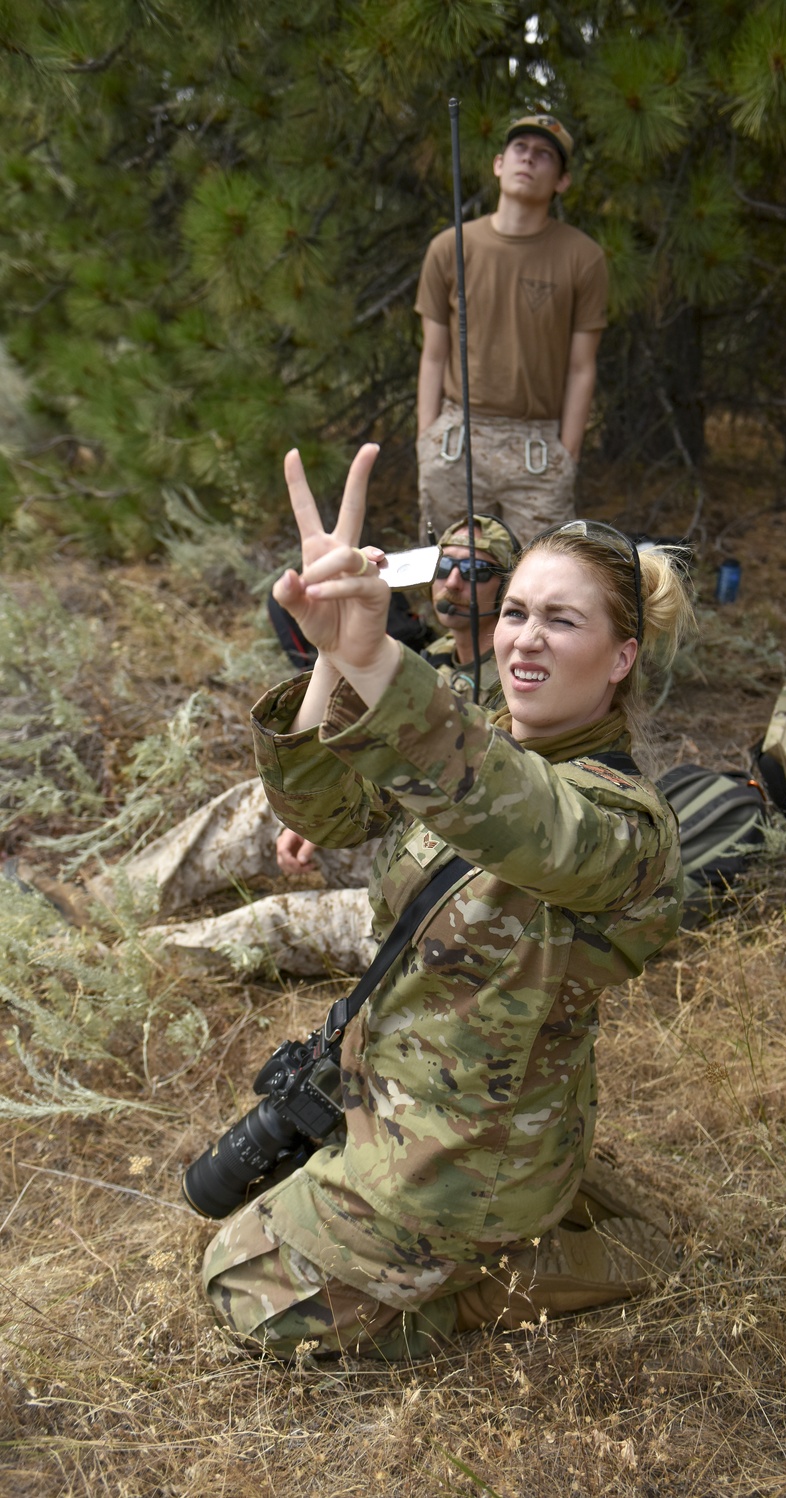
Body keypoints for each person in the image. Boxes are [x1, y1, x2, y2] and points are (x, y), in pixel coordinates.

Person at [200, 444, 695, 1360]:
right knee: (225, 1192)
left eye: (562, 620)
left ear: (623, 656)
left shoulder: (628, 827)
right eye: (515, 613)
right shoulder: (486, 737)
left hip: (468, 1151)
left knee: (240, 1288)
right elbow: (330, 809)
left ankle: (511, 1279)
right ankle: (541, 1216)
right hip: (398, 1091)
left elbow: (521, 820)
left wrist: (377, 655)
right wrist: (327, 661)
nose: (524, 638)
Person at [86, 516, 516, 977]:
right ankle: (106, 900)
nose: (453, 582)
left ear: (507, 588)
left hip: (444, 887)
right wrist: (319, 817)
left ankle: (116, 964)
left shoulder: (514, 682)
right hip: (399, 839)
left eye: (475, 572)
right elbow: (377, 755)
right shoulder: (429, 659)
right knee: (253, 806)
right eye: (445, 566)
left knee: (274, 920)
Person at [415, 114, 608, 545]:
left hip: (537, 448)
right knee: (455, 580)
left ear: (562, 181)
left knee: (541, 585)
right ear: (499, 163)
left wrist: (567, 454)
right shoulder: (450, 248)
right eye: (520, 149)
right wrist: (426, 440)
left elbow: (582, 367)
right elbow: (433, 354)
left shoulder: (582, 257)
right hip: (457, 440)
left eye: (544, 155)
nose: (529, 160)